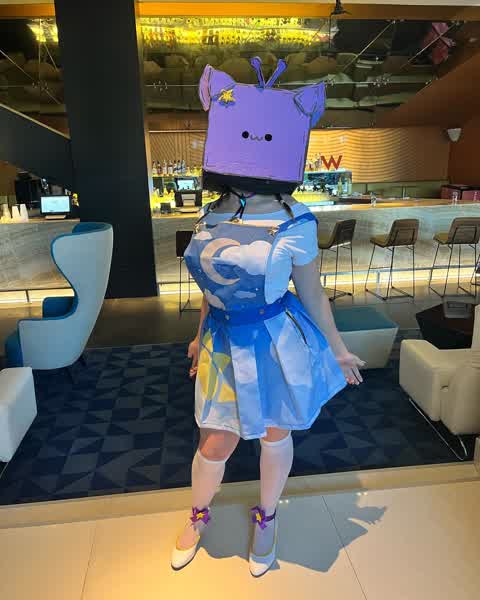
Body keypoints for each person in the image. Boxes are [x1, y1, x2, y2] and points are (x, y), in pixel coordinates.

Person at [171, 58, 364, 577]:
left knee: (274, 434)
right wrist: (198, 336)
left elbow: (313, 294)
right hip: (221, 341)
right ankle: (198, 513)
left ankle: (268, 516)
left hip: (274, 340)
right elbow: (213, 287)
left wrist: (339, 349)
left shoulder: (296, 221)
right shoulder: (211, 211)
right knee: (217, 439)